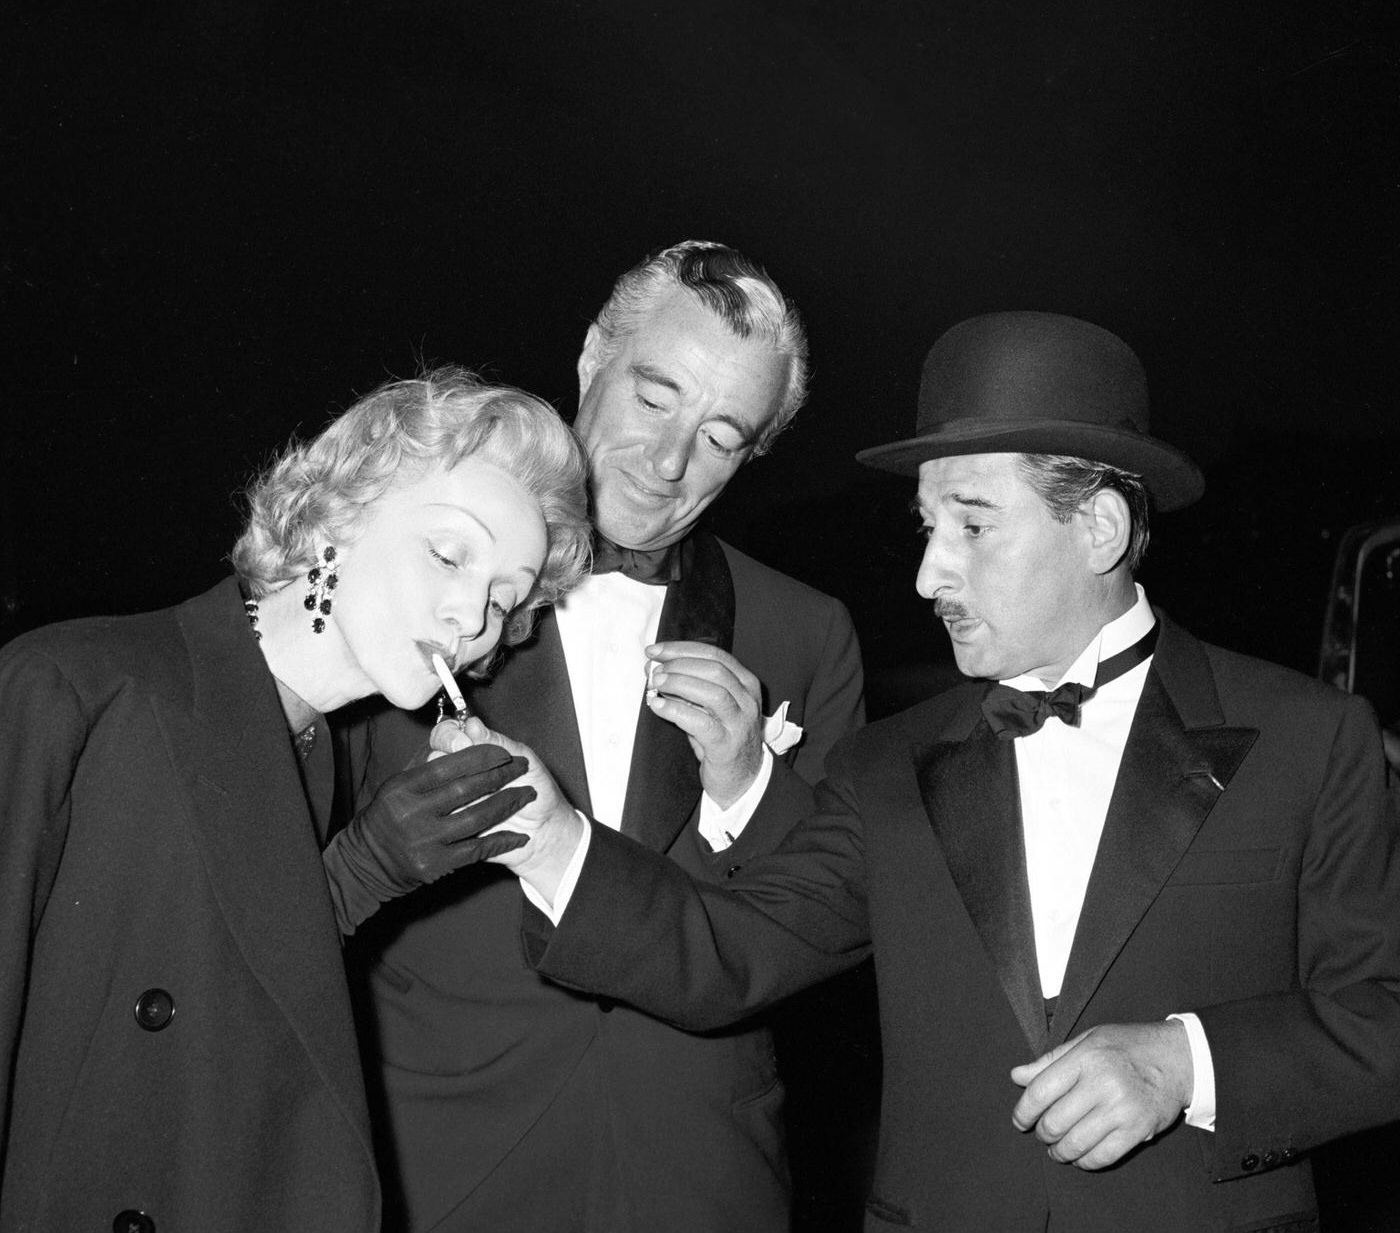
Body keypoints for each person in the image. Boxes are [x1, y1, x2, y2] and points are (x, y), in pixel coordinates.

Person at [475, 311, 1400, 1232]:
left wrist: (1185, 1064)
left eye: (973, 525)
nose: (928, 575)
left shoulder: (1309, 740)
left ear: (1101, 528)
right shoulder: (888, 766)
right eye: (926, 527)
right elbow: (730, 952)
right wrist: (554, 844)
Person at [336, 240, 865, 1232]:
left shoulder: (805, 630)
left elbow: (828, 919)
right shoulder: (416, 580)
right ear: (589, 358)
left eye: (719, 436)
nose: (668, 462)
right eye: (654, 397)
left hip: (703, 1177)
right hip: (441, 1168)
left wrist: (749, 783)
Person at [0, 368, 590, 1232]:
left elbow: (222, 1044)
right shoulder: (75, 690)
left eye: (506, 598)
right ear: (337, 517)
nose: (472, 615)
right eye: (448, 552)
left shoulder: (312, 755)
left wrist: (360, 876)